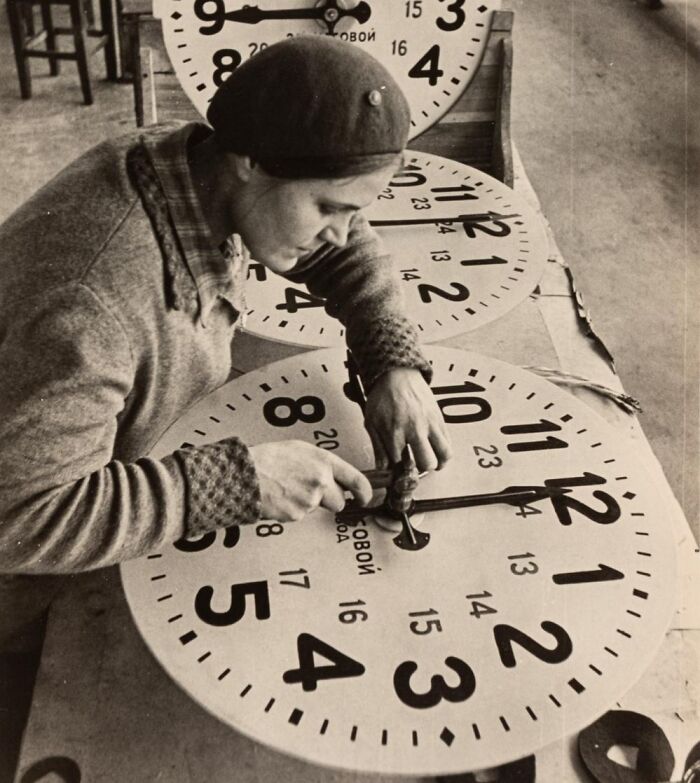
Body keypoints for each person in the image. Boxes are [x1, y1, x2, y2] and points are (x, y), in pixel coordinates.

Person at [0, 36, 451, 646]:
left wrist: (392, 360)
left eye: (351, 210)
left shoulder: (188, 168)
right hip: (32, 597)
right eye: (327, 206)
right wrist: (240, 482)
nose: (342, 235)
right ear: (252, 162)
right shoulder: (95, 304)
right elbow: (21, 517)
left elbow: (339, 250)